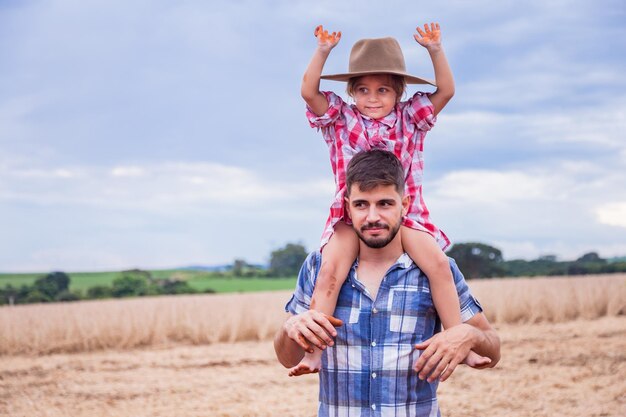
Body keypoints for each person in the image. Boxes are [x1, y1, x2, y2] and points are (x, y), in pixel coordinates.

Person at [293, 23, 475, 376]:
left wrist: (435, 49)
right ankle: (313, 353)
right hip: (352, 217)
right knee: (329, 271)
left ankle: (458, 340)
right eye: (362, 89)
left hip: (405, 216)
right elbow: (307, 92)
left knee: (438, 266)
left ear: (398, 92)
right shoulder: (340, 119)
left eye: (382, 90)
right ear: (351, 92)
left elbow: (447, 91)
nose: (372, 98)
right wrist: (322, 51)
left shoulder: (411, 117)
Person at [274, 149, 501, 416]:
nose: (372, 216)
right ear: (347, 206)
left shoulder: (437, 268)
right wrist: (292, 327)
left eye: (384, 203)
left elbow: (492, 350)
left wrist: (468, 334)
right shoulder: (319, 267)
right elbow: (287, 358)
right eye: (361, 204)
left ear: (404, 205)